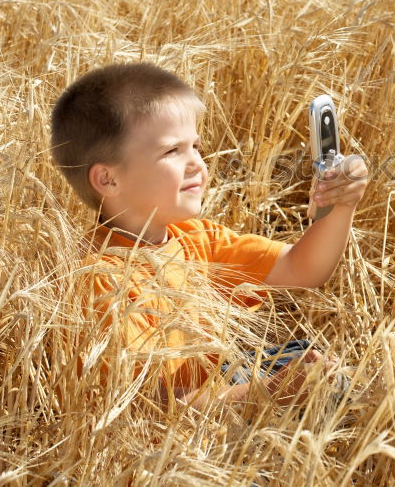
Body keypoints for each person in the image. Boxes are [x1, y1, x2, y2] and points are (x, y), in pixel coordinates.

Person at [50, 63, 368, 409]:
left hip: (216, 388)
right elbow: (145, 409)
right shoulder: (100, 279)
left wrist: (341, 205)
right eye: (172, 151)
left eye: (196, 147)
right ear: (108, 180)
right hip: (170, 438)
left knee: (331, 375)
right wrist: (267, 394)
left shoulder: (193, 237)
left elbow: (303, 269)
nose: (197, 165)